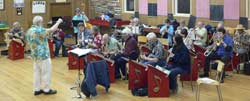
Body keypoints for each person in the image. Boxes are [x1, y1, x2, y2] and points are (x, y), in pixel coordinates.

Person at [26, 16, 63, 95]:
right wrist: (58, 22)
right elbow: (52, 30)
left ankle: (37, 89)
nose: (42, 24)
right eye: (42, 22)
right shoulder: (39, 30)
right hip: (43, 55)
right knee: (46, 73)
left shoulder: (29, 30)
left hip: (35, 56)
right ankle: (46, 89)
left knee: (37, 73)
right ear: (39, 22)